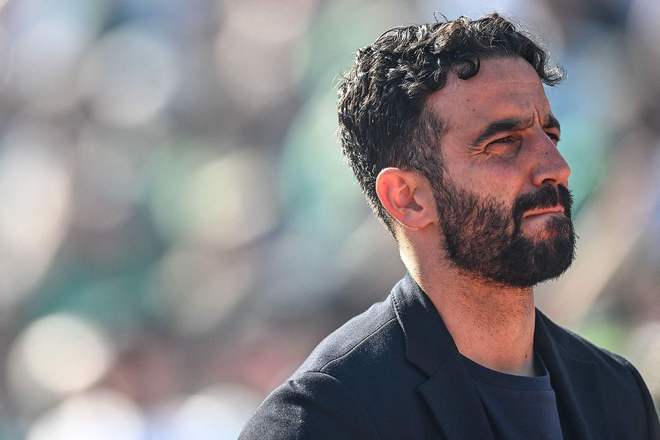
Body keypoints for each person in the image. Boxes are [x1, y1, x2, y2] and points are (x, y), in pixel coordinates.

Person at [239, 13, 660, 440]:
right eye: (503, 143)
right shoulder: (321, 418)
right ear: (407, 198)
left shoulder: (616, 391)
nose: (557, 167)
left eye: (550, 136)